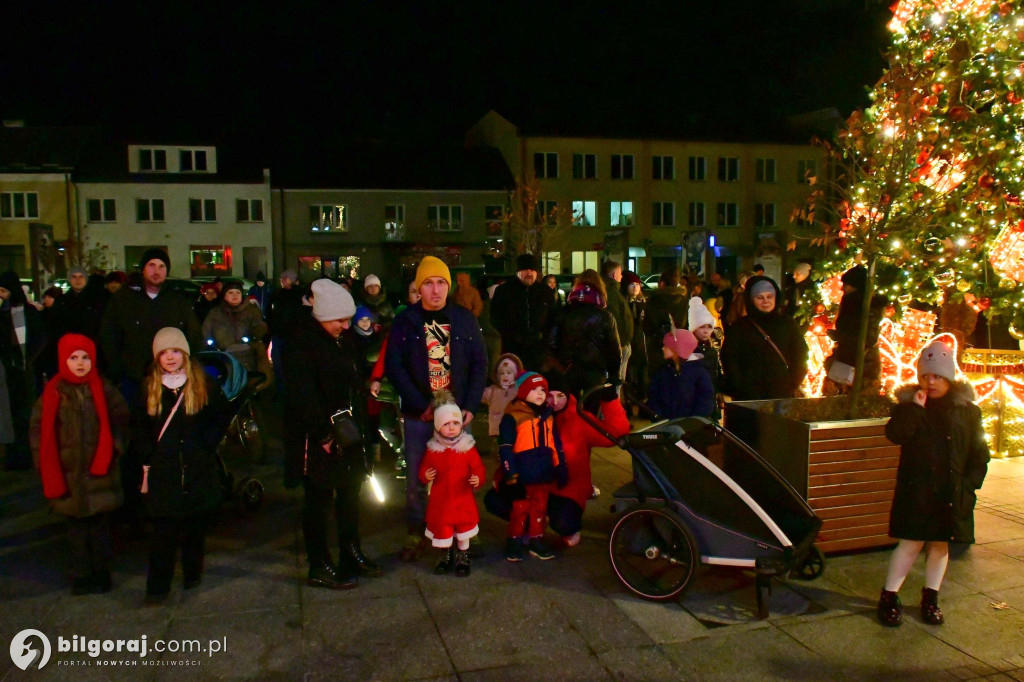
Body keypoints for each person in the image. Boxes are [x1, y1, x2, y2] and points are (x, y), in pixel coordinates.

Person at [877, 340, 989, 627]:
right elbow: (896, 434)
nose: (930, 382)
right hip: (918, 491)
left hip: (951, 492)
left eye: (937, 376)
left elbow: (979, 453)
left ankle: (931, 597)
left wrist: (969, 485)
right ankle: (889, 597)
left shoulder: (967, 411)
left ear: (949, 377)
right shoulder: (909, 406)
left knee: (940, 546)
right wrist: (913, 410)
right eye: (926, 376)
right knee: (910, 544)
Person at [385, 256, 487, 562]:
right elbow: (395, 366)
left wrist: (469, 405)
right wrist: (419, 403)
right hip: (420, 413)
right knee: (420, 473)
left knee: (460, 472)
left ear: (449, 285)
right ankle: (417, 527)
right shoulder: (405, 321)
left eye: (441, 282)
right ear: (419, 287)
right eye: (428, 283)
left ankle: (465, 529)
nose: (435, 290)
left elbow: (480, 362)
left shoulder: (464, 319)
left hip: (457, 413)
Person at [284, 278, 382, 589]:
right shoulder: (302, 343)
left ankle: (350, 550)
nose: (345, 325)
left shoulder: (345, 339)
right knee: (319, 499)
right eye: (339, 320)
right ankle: (319, 562)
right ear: (323, 316)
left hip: (349, 428)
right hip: (320, 435)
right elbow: (302, 395)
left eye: (347, 320)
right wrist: (324, 435)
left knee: (350, 493)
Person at [30, 333, 129, 595]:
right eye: (74, 358)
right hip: (69, 475)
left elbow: (121, 419)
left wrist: (115, 448)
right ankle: (81, 575)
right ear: (64, 360)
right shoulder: (54, 392)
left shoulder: (103, 388)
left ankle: (101, 573)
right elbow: (39, 431)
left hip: (100, 474)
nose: (80, 363)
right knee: (75, 533)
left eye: (85, 357)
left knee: (99, 532)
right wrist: (45, 462)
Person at [135, 327, 229, 603]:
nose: (170, 357)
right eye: (164, 353)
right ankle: (157, 587)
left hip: (196, 468)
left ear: (185, 353)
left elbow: (220, 416)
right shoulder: (150, 387)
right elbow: (139, 426)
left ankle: (192, 573)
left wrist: (206, 444)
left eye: (175, 351)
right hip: (165, 471)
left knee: (194, 528)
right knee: (163, 531)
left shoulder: (201, 384)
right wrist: (149, 453)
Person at [546, 372, 629, 547]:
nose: (554, 402)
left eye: (560, 396)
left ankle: (567, 522)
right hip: (538, 484)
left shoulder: (579, 420)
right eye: (549, 396)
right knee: (500, 500)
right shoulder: (534, 418)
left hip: (568, 489)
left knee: (564, 523)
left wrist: (610, 401)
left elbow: (615, 435)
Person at [498, 372, 567, 562]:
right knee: (519, 509)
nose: (539, 393)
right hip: (523, 475)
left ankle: (536, 540)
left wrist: (559, 467)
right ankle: (514, 540)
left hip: (543, 474)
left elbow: (555, 445)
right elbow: (505, 447)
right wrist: (510, 473)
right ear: (522, 391)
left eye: (543, 390)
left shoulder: (548, 417)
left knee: (539, 509)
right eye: (534, 389)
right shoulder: (513, 416)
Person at [418, 391, 486, 577]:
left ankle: (463, 555)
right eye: (446, 424)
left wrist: (477, 478)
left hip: (462, 498)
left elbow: (478, 467)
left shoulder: (467, 447)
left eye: (455, 423)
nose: (451, 428)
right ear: (438, 426)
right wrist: (426, 475)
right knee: (443, 528)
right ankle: (445, 555)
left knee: (464, 528)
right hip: (442, 500)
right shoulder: (433, 450)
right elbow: (423, 468)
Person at [720, 276, 808, 401]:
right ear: (751, 300)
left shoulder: (787, 323)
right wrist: (739, 386)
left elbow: (801, 353)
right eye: (760, 297)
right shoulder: (740, 327)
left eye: (769, 296)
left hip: (781, 393)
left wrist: (793, 381)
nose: (765, 301)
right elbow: (729, 358)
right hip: (749, 396)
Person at [551, 270, 621, 401]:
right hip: (596, 372)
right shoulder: (605, 316)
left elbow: (551, 342)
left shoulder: (563, 312)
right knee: (591, 414)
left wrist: (560, 367)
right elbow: (614, 350)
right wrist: (614, 376)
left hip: (568, 370)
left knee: (569, 412)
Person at [0, 269, 45, 470]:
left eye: (3, 291)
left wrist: (29, 359)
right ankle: (12, 454)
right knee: (8, 413)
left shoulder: (27, 312)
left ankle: (25, 454)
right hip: (6, 369)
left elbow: (40, 338)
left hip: (24, 368)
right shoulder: (2, 312)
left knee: (24, 413)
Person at [826, 265, 886, 390]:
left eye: (846, 284)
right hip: (851, 362)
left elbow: (868, 338)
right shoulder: (851, 303)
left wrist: (843, 337)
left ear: (856, 286)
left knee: (853, 399)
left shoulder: (866, 307)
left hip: (861, 365)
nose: (843, 288)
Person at [489, 253, 553, 371]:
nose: (529, 273)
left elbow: (554, 318)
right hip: (513, 350)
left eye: (532, 270)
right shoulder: (504, 291)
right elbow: (495, 317)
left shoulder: (545, 292)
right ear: (518, 271)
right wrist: (513, 335)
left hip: (539, 352)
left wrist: (543, 337)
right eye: (525, 269)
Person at [201, 281, 271, 384]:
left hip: (247, 353)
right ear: (225, 296)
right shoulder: (215, 312)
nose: (235, 296)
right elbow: (206, 330)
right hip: (223, 354)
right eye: (230, 293)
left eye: (238, 292)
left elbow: (260, 327)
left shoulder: (251, 310)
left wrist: (255, 335)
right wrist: (210, 343)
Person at [648, 329, 715, 419]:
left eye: (666, 345)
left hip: (691, 427)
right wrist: (657, 415)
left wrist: (693, 421)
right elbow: (654, 396)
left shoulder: (699, 373)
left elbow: (705, 400)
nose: (663, 348)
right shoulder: (663, 372)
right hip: (666, 425)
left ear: (676, 348)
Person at [643, 266, 689, 382]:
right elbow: (686, 324)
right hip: (677, 344)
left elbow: (647, 326)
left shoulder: (654, 300)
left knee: (658, 378)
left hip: (657, 344)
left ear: (662, 283)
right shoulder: (683, 300)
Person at [480, 353, 524, 451]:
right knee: (498, 452)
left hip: (514, 429)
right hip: (497, 430)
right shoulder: (492, 390)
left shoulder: (518, 390)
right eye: (501, 373)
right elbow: (479, 395)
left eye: (509, 373)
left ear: (516, 374)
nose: (505, 376)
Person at [688, 297, 723, 419]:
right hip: (694, 399)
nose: (706, 331)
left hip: (710, 397)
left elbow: (716, 373)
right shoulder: (689, 351)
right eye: (702, 327)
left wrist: (718, 392)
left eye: (709, 327)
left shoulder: (711, 350)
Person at [601, 261, 633, 387]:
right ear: (614, 275)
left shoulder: (613, 290)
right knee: (617, 380)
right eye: (620, 273)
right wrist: (621, 342)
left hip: (621, 342)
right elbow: (616, 319)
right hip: (620, 344)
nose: (622, 276)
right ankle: (615, 404)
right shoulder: (611, 292)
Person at [621, 272, 648, 404]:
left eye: (637, 284)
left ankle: (641, 399)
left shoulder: (643, 302)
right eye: (632, 284)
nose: (635, 287)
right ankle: (630, 400)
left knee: (642, 372)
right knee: (629, 374)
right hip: (629, 342)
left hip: (641, 343)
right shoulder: (624, 303)